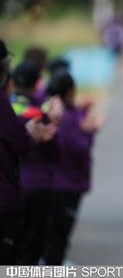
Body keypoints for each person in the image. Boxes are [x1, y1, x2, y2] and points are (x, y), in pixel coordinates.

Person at [43, 71, 101, 265]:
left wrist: (83, 113)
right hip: (66, 183)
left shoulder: (53, 110)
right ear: (70, 91)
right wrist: (90, 132)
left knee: (55, 231)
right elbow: (78, 147)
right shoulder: (65, 118)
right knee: (60, 232)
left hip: (55, 180)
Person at [11, 61, 62, 264]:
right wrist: (55, 122)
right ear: (37, 84)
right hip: (37, 186)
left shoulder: (6, 110)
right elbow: (54, 153)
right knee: (32, 248)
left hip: (10, 186)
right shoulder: (39, 115)